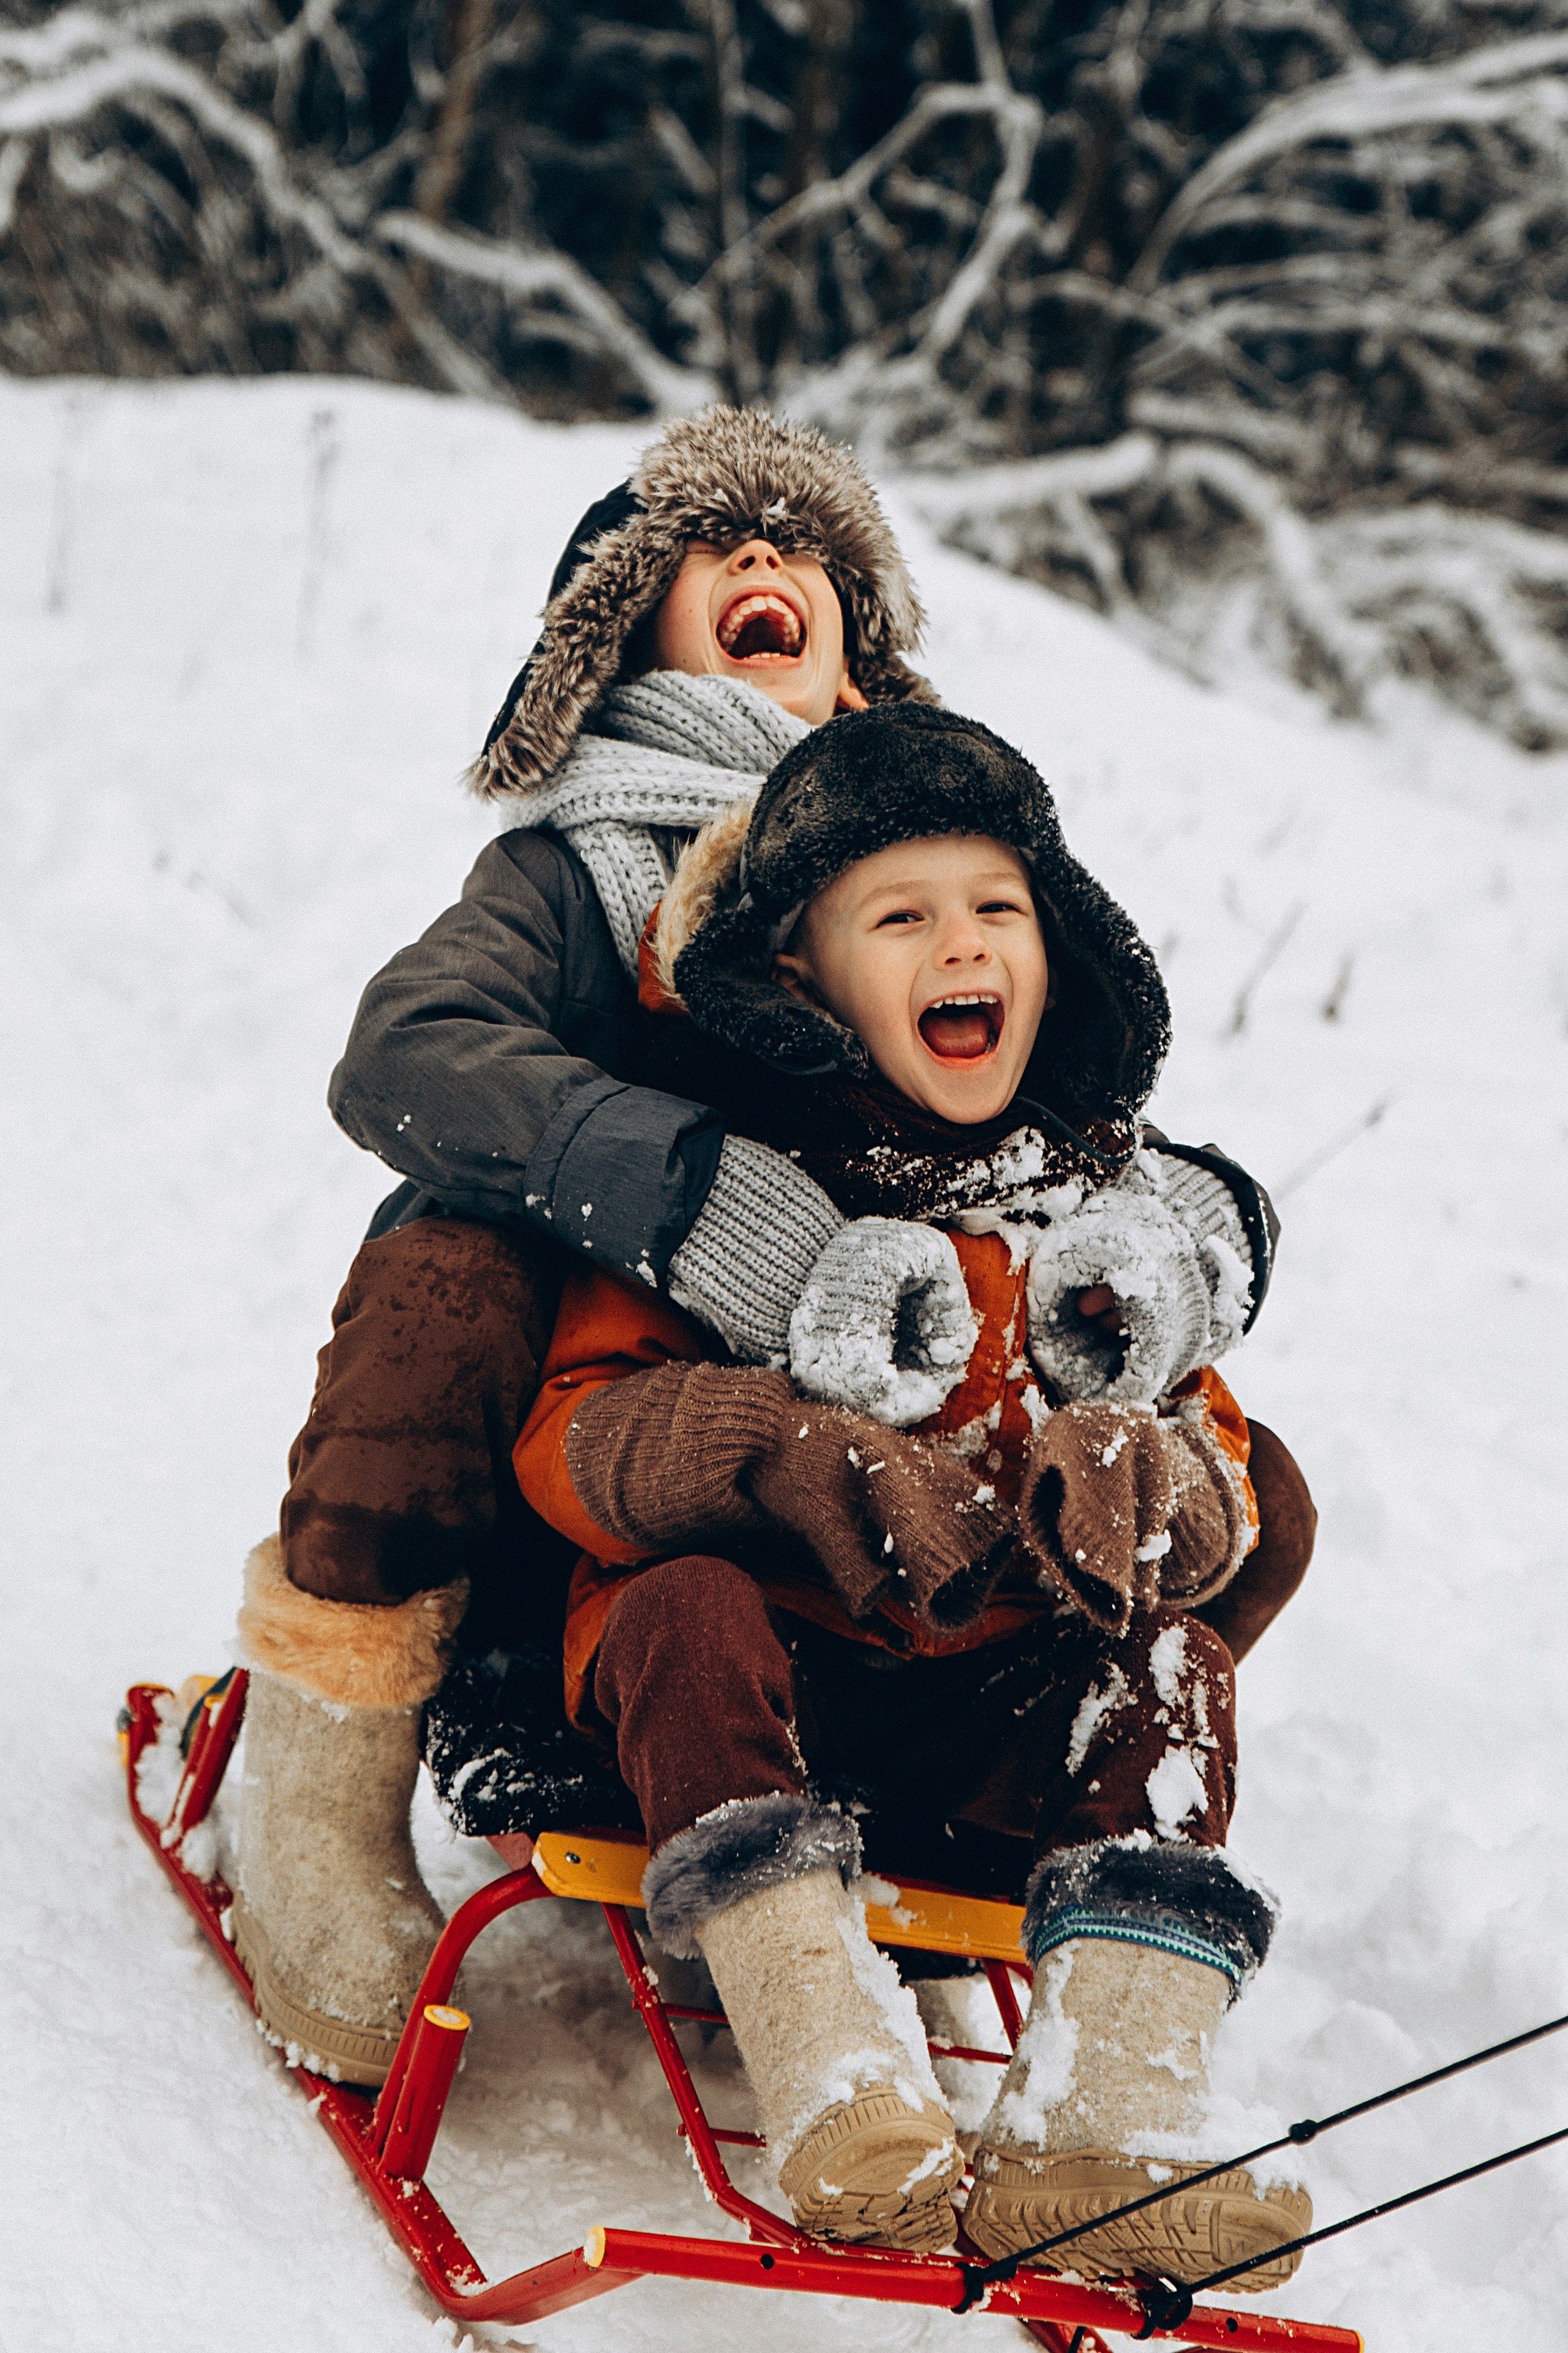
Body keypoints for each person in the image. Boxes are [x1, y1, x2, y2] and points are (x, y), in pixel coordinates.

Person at [229, 405, 1314, 2095]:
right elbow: (409, 1051)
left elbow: (1064, 1079)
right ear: (615, 634)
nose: (762, 557)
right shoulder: (582, 866)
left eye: (803, 542)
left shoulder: (940, 840)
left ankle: (1009, 1783)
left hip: (894, 1404)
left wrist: (1162, 1226)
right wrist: (700, 1199)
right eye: (705, 543)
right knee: (447, 1279)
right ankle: (321, 1797)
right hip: (615, 1387)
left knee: (1257, 1489)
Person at [510, 703, 1312, 2286]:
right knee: (681, 1610)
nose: (963, 943)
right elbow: (575, 1438)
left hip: (980, 1727)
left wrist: (1151, 1474)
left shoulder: (1105, 1210)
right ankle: (836, 2083)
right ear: (802, 975)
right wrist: (781, 1446)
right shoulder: (736, 1189)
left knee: (1173, 1668)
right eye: (902, 916)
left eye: (999, 906)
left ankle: (1107, 2120)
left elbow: (1222, 1465)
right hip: (755, 1701)